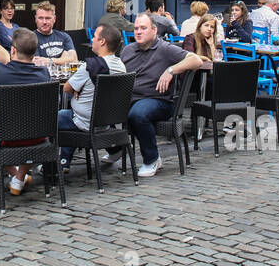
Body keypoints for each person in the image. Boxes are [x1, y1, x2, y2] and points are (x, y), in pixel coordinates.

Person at [119, 14, 207, 177]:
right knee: (98, 108)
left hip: (158, 101)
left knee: (138, 114)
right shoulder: (128, 50)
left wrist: (171, 70)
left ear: (154, 30)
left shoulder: (165, 49)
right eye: (136, 28)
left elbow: (196, 60)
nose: (138, 32)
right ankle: (114, 149)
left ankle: (152, 159)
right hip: (129, 99)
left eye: (143, 28)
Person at [0, 28, 55, 195]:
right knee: (29, 124)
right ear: (34, 52)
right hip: (37, 137)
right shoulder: (44, 75)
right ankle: (19, 178)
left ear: (12, 50)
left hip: (3, 139)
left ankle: (17, 176)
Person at [58, 25, 126, 168]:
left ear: (102, 42)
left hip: (83, 122)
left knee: (50, 119)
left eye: (94, 36)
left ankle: (50, 164)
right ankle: (64, 161)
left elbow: (66, 88)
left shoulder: (89, 67)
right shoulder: (121, 66)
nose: (92, 39)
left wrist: (79, 88)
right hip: (106, 122)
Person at [32, 1, 77, 65]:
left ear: (54, 19)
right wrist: (63, 58)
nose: (44, 22)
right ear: (36, 19)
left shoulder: (64, 36)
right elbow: (38, 63)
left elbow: (74, 60)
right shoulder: (30, 38)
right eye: (40, 18)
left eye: (48, 18)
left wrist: (49, 61)